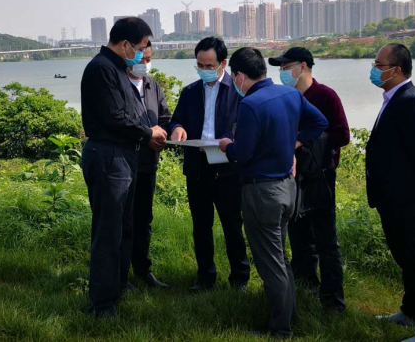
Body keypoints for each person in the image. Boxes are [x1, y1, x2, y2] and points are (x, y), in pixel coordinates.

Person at [219, 48, 328, 339]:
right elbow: (319, 122)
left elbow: (242, 154)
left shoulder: (250, 104)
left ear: (239, 76)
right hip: (287, 188)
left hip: (262, 193)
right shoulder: (290, 94)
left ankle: (280, 328)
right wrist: (294, 143)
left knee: (271, 263)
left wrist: (227, 145)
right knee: (279, 256)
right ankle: (289, 314)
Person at [80, 17, 167, 317]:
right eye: (141, 47)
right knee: (108, 231)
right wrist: (148, 133)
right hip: (108, 157)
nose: (142, 54)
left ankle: (118, 284)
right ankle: (101, 303)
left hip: (125, 156)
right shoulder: (101, 69)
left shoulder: (117, 68)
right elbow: (115, 117)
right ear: (125, 44)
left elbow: (132, 113)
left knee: (124, 227)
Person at [367, 43, 415, 342]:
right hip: (392, 198)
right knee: (405, 260)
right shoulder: (394, 97)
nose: (374, 70)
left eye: (379, 65)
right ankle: (409, 312)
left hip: (407, 200)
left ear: (396, 69)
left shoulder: (410, 101)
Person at [269, 47, 350, 312]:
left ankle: (333, 299)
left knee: (326, 240)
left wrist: (303, 141)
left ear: (302, 67)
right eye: (280, 68)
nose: (283, 72)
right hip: (291, 177)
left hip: (319, 178)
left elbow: (342, 135)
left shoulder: (325, 95)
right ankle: (304, 287)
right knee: (298, 236)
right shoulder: (285, 97)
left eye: (286, 67)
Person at [169, 37, 250, 292]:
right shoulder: (190, 92)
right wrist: (177, 128)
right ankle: (205, 277)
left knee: (232, 225)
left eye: (209, 65)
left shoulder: (238, 91)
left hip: (228, 168)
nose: (204, 70)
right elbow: (176, 120)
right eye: (200, 65)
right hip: (197, 167)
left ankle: (240, 278)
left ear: (223, 63)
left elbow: (246, 126)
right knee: (201, 225)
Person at [127, 41, 172, 288]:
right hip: (125, 163)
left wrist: (163, 133)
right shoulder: (119, 84)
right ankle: (120, 274)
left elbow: (165, 116)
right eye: (141, 60)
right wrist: (147, 135)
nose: (145, 64)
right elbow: (120, 123)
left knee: (144, 218)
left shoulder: (152, 85)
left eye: (149, 59)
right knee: (123, 220)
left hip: (148, 163)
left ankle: (142, 271)